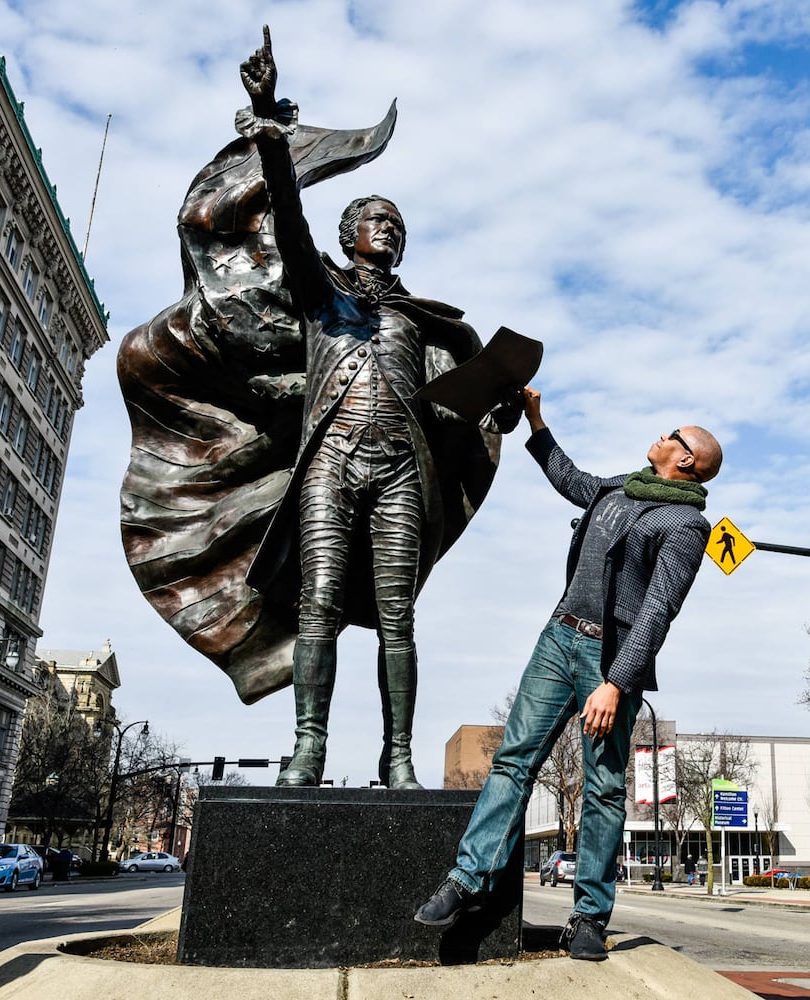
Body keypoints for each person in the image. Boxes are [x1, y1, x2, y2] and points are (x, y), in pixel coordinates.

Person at [236, 29, 518, 789]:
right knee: (319, 603)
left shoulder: (424, 325)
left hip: (402, 469)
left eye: (398, 222)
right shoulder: (322, 295)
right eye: (376, 218)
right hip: (331, 462)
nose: (389, 228)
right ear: (349, 234)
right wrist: (267, 123)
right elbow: (286, 220)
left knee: (399, 618)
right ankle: (309, 748)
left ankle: (398, 757)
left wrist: (499, 406)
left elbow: (454, 415)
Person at [414, 388, 722, 960]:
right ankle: (465, 880)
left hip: (609, 659)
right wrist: (536, 420)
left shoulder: (686, 525)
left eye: (672, 434)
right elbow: (568, 477)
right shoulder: (619, 488)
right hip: (557, 638)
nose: (661, 434)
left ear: (686, 460)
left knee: (603, 788)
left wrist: (615, 681)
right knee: (514, 759)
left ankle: (588, 919)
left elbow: (659, 610)